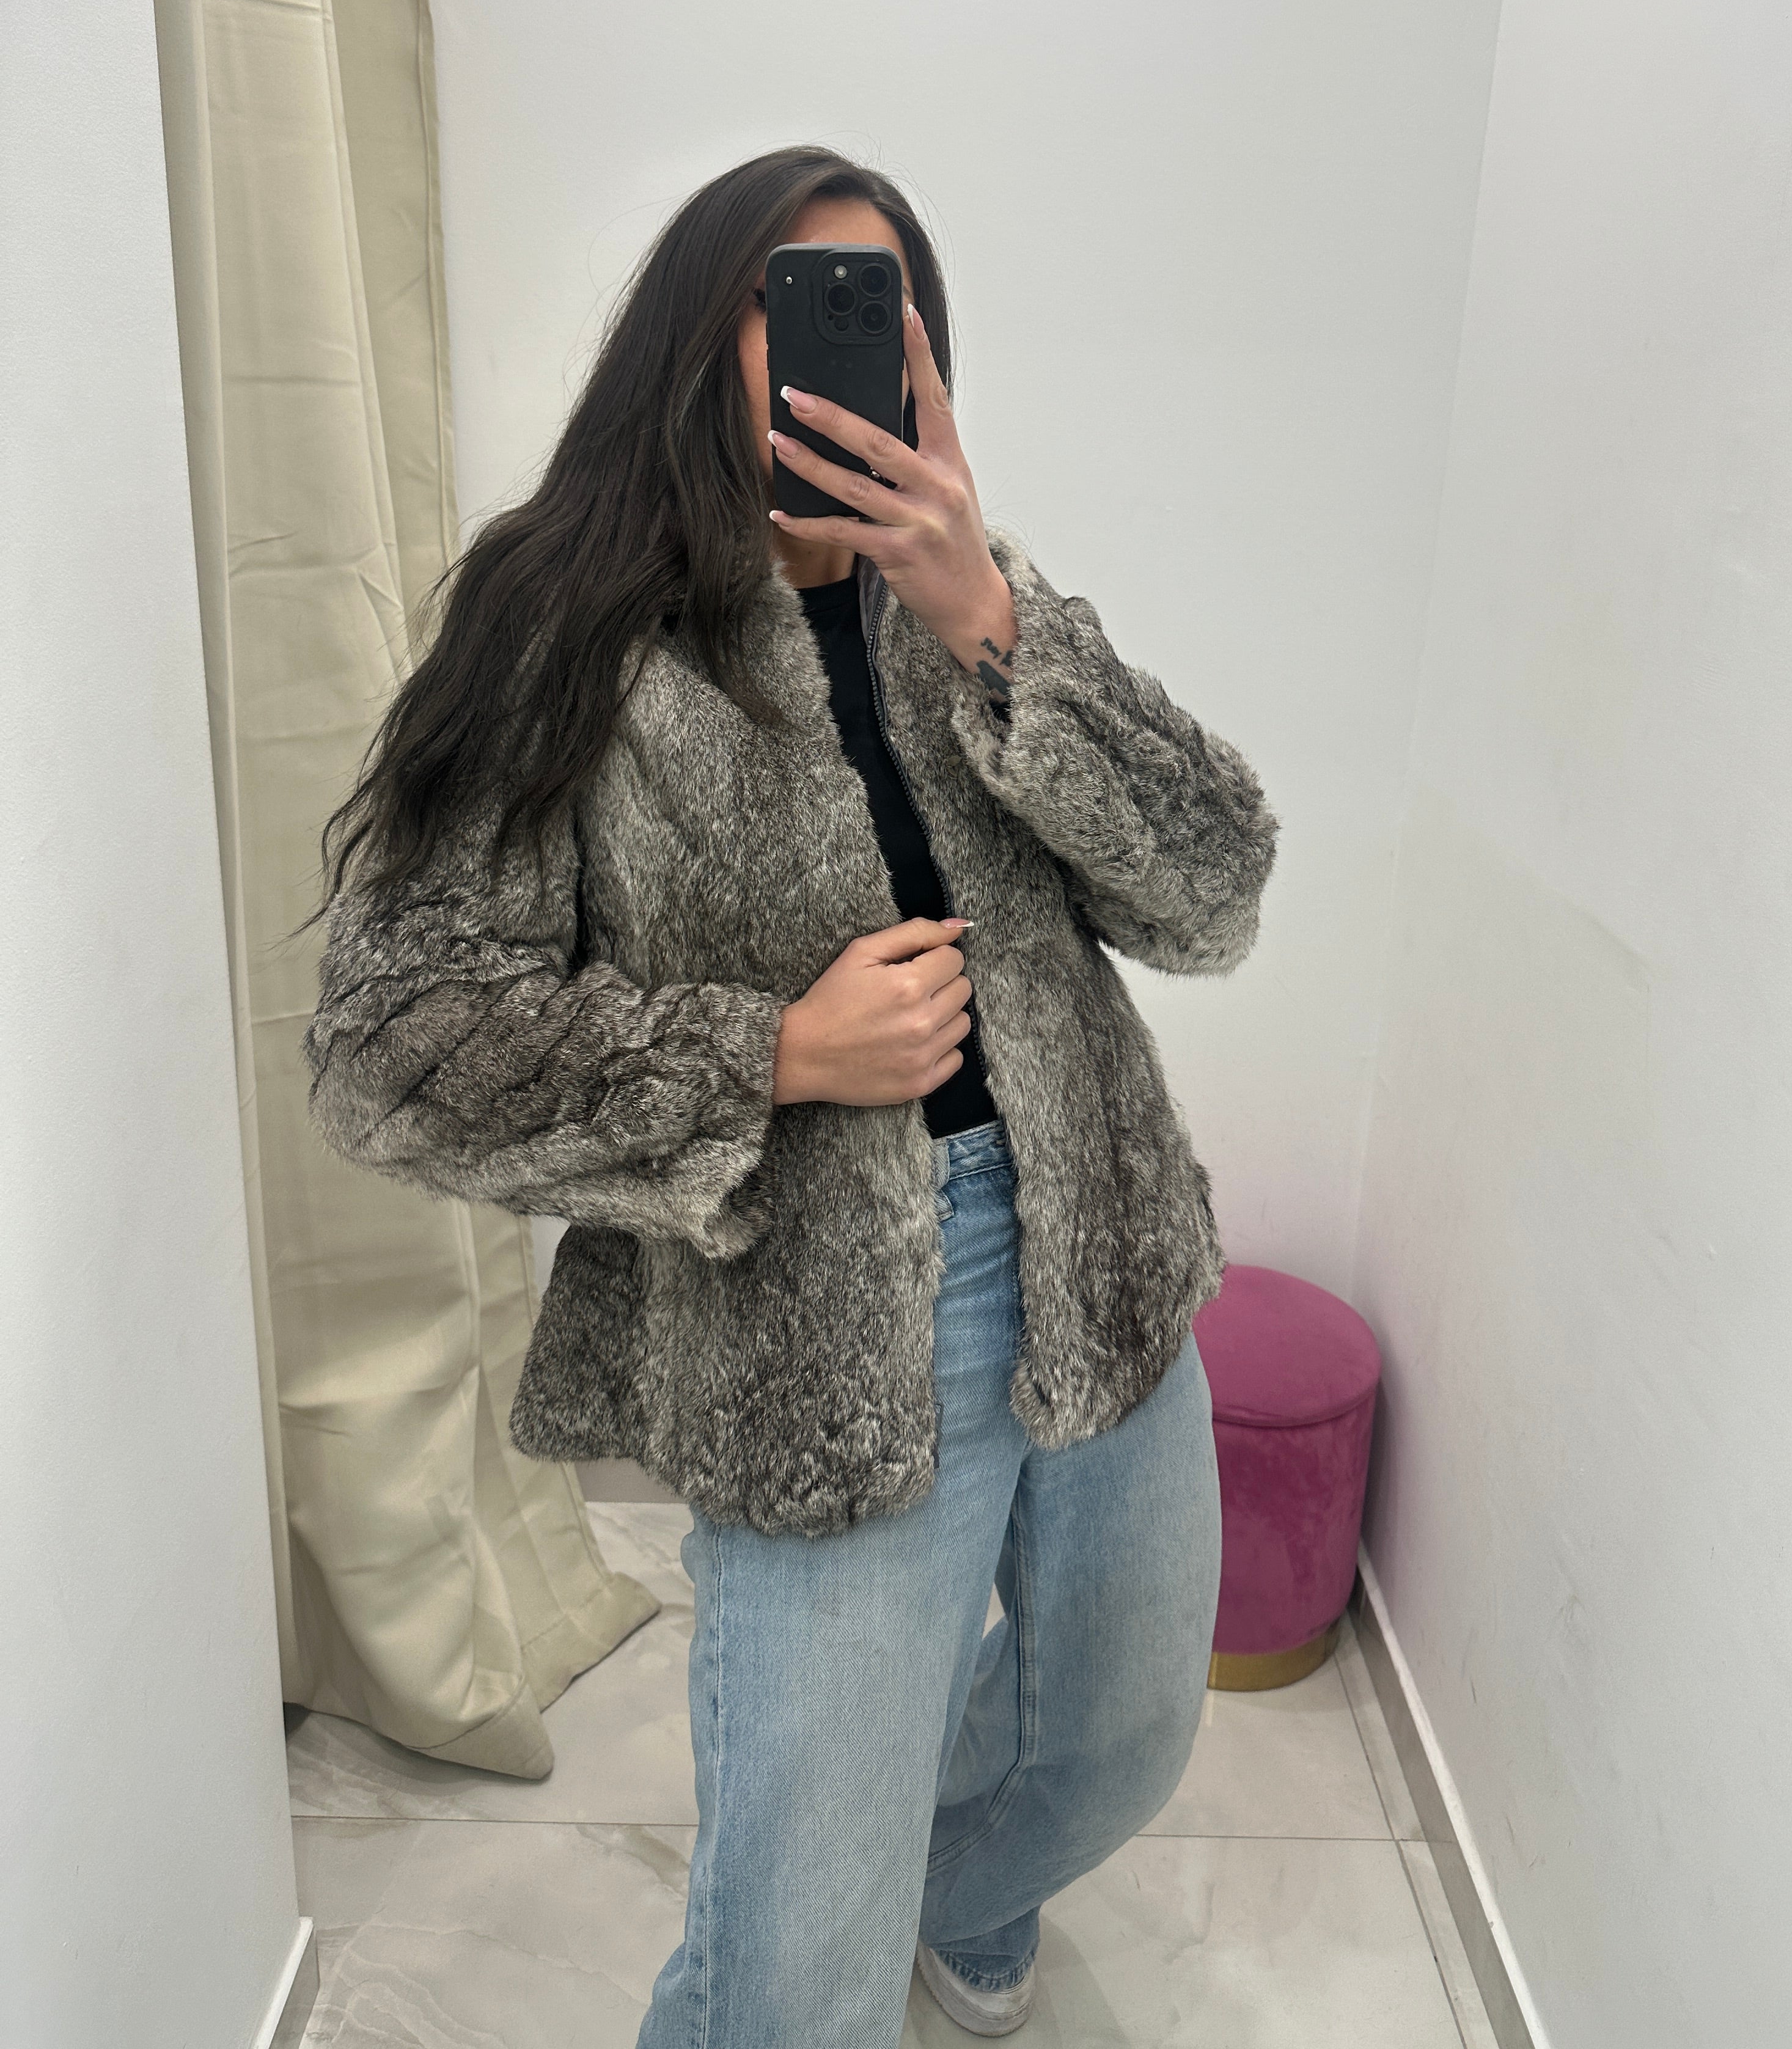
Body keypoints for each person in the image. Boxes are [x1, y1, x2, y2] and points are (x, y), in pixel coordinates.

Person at [303, 145, 1279, 2045]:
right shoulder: (567, 628)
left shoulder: (969, 598)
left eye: (882, 302)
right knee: (792, 1968)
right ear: (701, 335)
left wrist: (994, 621)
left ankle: (955, 1884)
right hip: (814, 1327)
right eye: (790, 295)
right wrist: (774, 1053)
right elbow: (391, 1040)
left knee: (1117, 1741)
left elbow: (1215, 886)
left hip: (1099, 1243)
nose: (844, 337)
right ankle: (848, 1931)